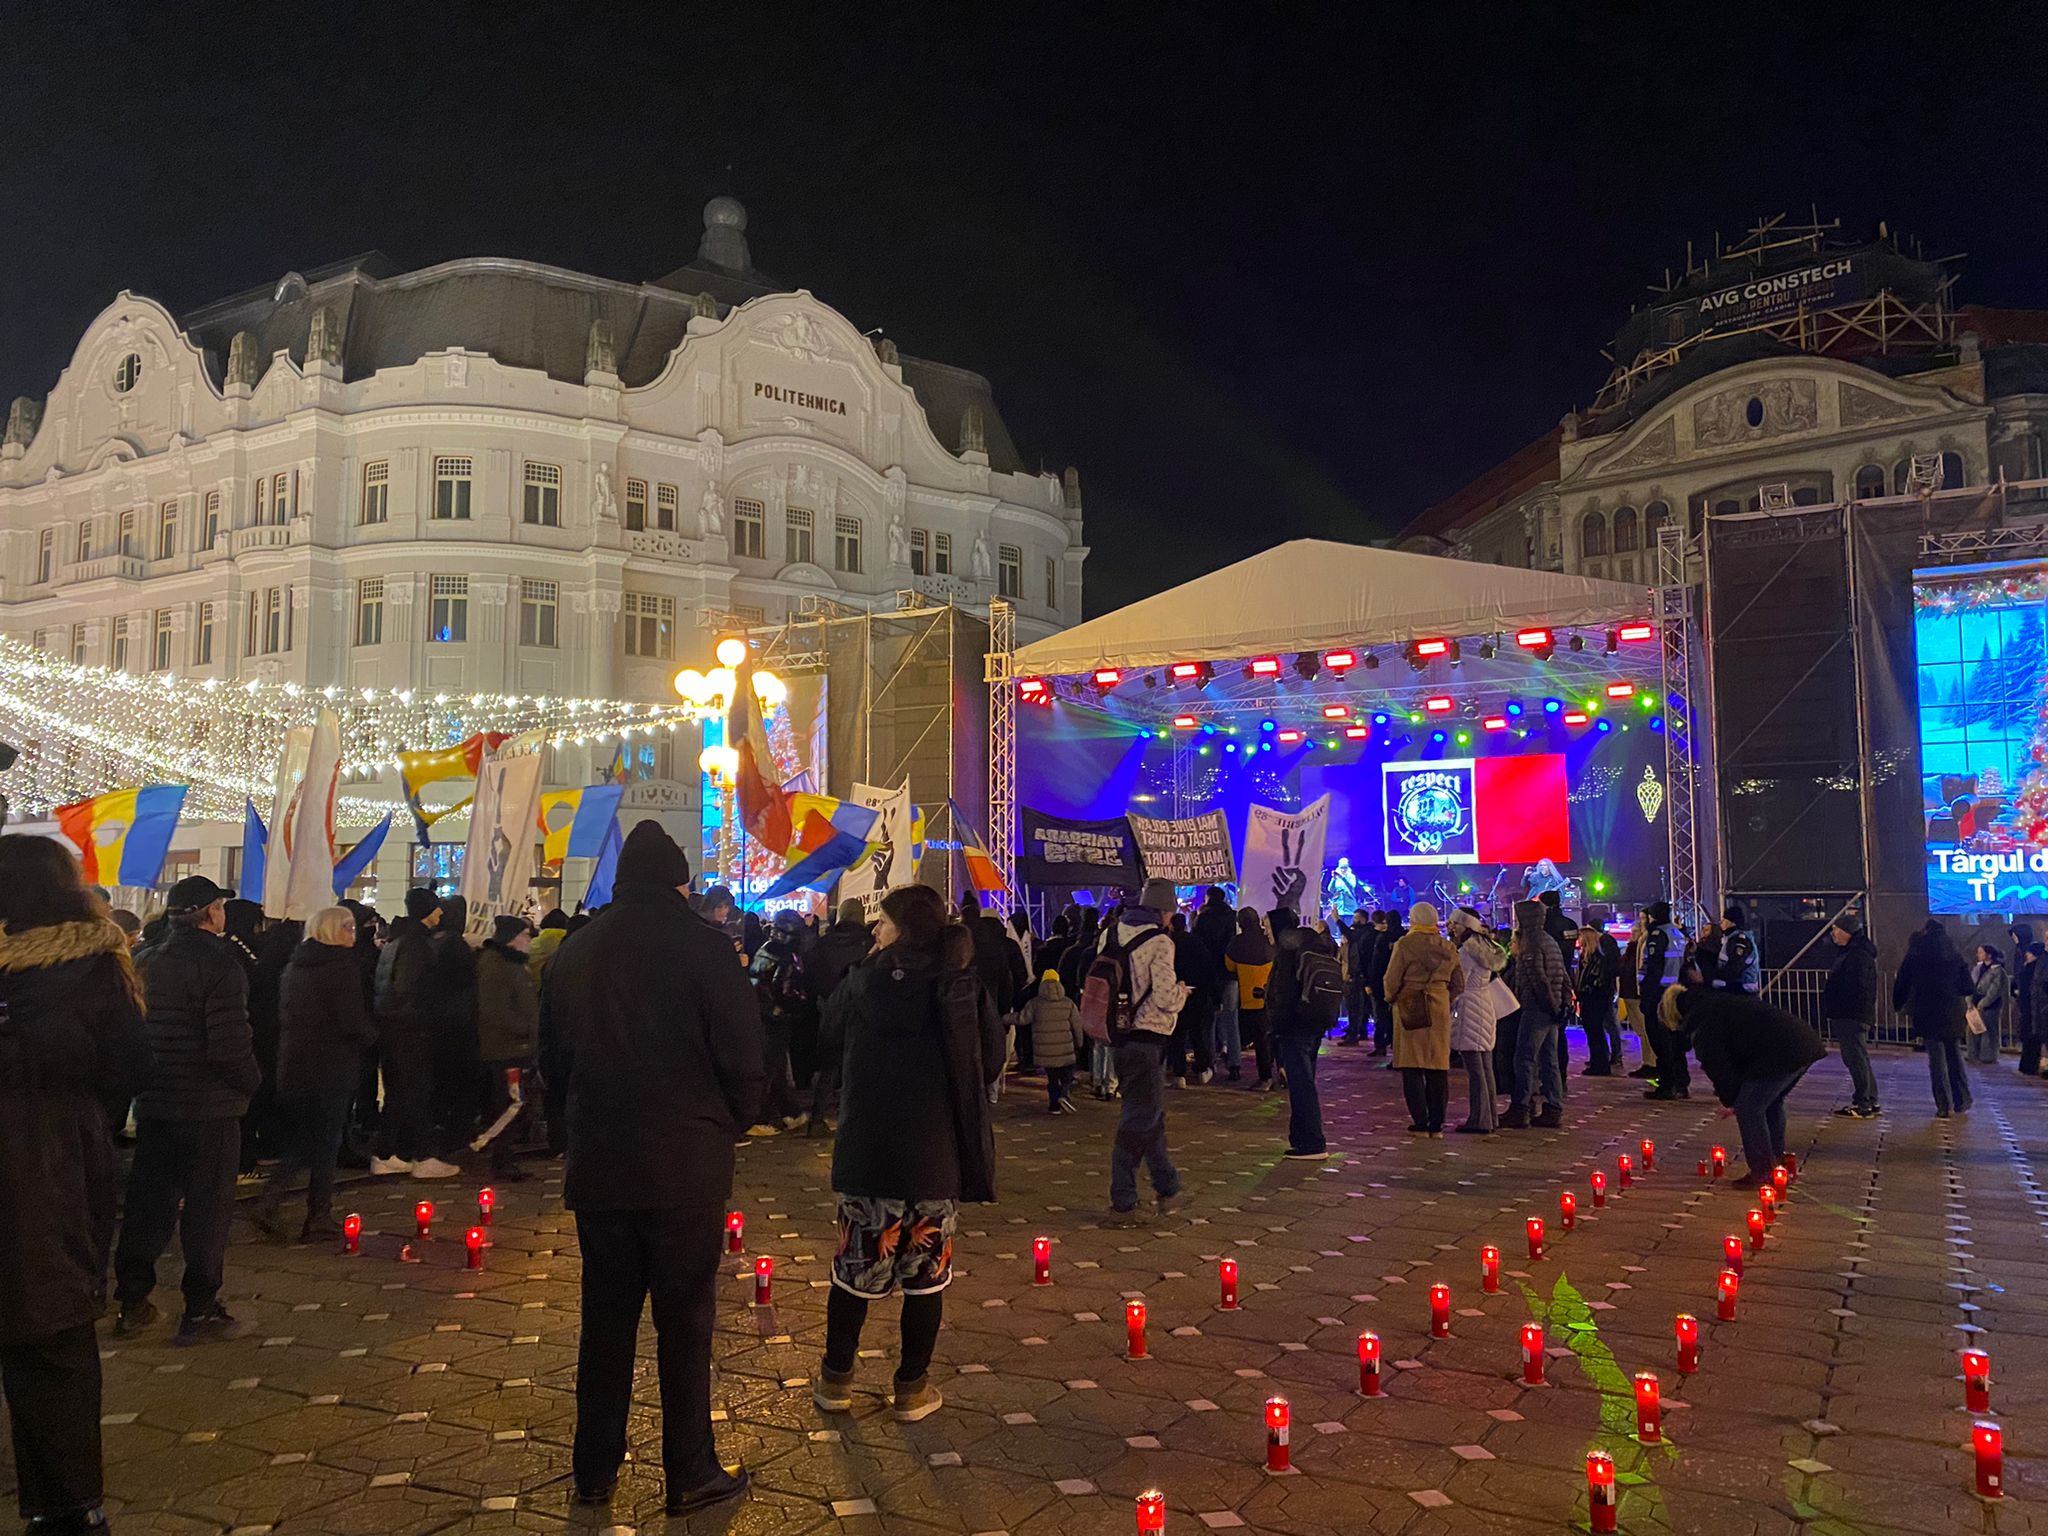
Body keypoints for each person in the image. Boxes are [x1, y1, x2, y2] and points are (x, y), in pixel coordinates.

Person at [547, 821, 765, 1517]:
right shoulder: (707, 950)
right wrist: (728, 1122)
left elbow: (554, 1063)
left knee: (605, 1320)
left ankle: (594, 1468)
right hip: (685, 1168)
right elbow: (743, 1059)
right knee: (686, 1320)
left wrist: (577, 1125)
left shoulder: (575, 951)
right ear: (680, 884)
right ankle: (689, 1469)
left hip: (602, 1164)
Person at [0, 836, 152, 1536]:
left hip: (41, 1159)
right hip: (54, 1167)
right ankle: (67, 1506)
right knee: (52, 1336)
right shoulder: (99, 965)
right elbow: (125, 1069)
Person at [812, 884, 1003, 1421]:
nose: (876, 931)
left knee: (854, 1273)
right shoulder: (960, 985)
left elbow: (824, 1044)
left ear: (906, 929)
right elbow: (987, 1061)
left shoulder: (861, 981)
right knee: (925, 1280)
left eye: (885, 922)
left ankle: (836, 1381)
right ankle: (911, 1389)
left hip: (869, 1154)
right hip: (934, 1158)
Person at [113, 874, 259, 1344]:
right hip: (208, 1106)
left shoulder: (146, 959)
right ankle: (200, 1308)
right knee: (207, 1211)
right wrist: (251, 1083)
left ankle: (132, 1300)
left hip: (157, 1102)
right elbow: (229, 1043)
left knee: (148, 1204)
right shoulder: (221, 965)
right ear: (212, 913)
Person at [253, 906, 377, 1242]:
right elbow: (351, 1021)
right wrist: (371, 1036)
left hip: (297, 1064)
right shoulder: (340, 968)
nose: (355, 933)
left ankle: (277, 1200)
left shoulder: (296, 965)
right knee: (324, 1142)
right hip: (331, 1066)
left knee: (307, 1138)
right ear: (333, 931)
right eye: (349, 927)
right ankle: (312, 1212)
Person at [1102, 879, 1189, 1225]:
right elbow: (1166, 998)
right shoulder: (1160, 943)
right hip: (1147, 1039)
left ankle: (1168, 1187)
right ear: (1163, 911)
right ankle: (1122, 1198)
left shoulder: (1110, 934)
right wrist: (1183, 992)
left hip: (1117, 1037)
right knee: (1139, 1119)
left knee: (1150, 1115)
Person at [1679, 983, 1825, 1186]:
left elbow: (1717, 1065)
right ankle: (1775, 1161)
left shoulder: (1704, 1024)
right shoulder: (1717, 1004)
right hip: (1802, 1043)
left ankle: (1763, 1172)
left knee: (1749, 1109)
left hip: (1781, 1052)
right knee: (1771, 1103)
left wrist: (1731, 1100)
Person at [1385, 901, 1465, 1136]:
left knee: (1411, 1065)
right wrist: (1443, 997)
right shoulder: (1448, 947)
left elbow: (1392, 979)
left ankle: (1420, 1121)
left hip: (1410, 1004)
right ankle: (1437, 1123)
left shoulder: (1405, 943)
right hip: (1439, 1005)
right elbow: (1458, 983)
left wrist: (1393, 999)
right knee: (1437, 1066)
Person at [472, 915, 540, 1178]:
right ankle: (493, 1152)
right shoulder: (497, 965)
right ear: (512, 938)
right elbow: (494, 1011)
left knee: (512, 1103)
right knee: (512, 1104)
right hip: (506, 1048)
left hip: (516, 1047)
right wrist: (525, 1029)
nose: (529, 941)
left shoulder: (511, 963)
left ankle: (502, 1155)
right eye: (526, 935)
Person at [1266, 907, 1338, 1157]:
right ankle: (1301, 1139)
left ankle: (1311, 1142)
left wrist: (1277, 1024)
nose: (1266, 930)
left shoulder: (1288, 952)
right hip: (1315, 1020)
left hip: (1294, 1026)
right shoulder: (1310, 946)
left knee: (1301, 1084)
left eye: (1268, 925)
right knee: (1304, 1081)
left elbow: (1284, 994)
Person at [1892, 919, 1973, 1118]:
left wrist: (1898, 1004)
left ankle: (1943, 1104)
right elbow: (1968, 987)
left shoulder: (1916, 955)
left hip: (1927, 1011)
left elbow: (1902, 982)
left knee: (1936, 1060)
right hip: (1952, 1013)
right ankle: (1961, 1099)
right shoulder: (1955, 957)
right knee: (1954, 1055)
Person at [1501, 900, 1568, 1129]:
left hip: (1537, 1008)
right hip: (1552, 1010)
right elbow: (1564, 977)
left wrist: (1549, 1006)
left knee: (1524, 1059)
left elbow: (1538, 979)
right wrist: (1561, 1007)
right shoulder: (1549, 940)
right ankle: (1553, 1107)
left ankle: (1520, 1108)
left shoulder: (1531, 942)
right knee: (1549, 1061)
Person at [747, 911, 813, 1136]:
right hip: (777, 1015)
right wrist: (799, 1002)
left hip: (760, 1011)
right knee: (770, 1067)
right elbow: (784, 990)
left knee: (774, 1067)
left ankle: (790, 1113)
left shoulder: (765, 947)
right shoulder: (789, 958)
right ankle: (757, 1118)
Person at [1448, 907, 1507, 1133]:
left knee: (1475, 1069)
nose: (1451, 928)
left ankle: (1479, 1120)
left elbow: (1458, 982)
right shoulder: (1485, 948)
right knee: (1485, 1066)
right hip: (1485, 1004)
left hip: (1469, 1007)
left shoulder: (1465, 952)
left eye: (1456, 923)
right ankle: (1490, 1117)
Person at [1823, 915, 1881, 1117]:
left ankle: (1863, 1102)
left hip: (1851, 1014)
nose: (1833, 934)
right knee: (1859, 1057)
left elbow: (1855, 987)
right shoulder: (1855, 953)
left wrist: (1839, 1003)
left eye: (1836, 930)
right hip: (1852, 1013)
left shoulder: (1856, 955)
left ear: (1847, 931)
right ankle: (1870, 1099)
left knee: (1855, 1058)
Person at [1638, 900, 1690, 1099]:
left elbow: (1653, 967)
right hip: (1674, 992)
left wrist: (1647, 995)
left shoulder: (1657, 935)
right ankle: (1680, 1082)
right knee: (1675, 1039)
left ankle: (1667, 1085)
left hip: (1659, 993)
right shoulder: (1677, 933)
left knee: (1661, 1040)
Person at [1224, 907, 1275, 1090]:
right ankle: (1276, 1072)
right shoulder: (1267, 941)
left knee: (1255, 1037)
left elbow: (1229, 966)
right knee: (1268, 1038)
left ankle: (1265, 1077)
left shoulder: (1237, 943)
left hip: (1248, 997)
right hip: (1269, 995)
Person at [1022, 970, 1084, 1112]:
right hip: (1065, 1050)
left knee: (1052, 1079)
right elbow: (1077, 1025)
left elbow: (1022, 1018)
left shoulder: (1035, 1004)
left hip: (1046, 1052)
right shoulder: (1068, 1003)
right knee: (1067, 1075)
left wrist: (1003, 1017)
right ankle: (1064, 1094)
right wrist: (1079, 1043)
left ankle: (1054, 1105)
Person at [1168, 911, 1218, 1085]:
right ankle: (1202, 1069)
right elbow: (1208, 967)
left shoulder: (1169, 943)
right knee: (1197, 1032)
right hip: (1197, 992)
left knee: (1178, 1034)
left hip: (1176, 991)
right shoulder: (1196, 942)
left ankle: (1179, 1073)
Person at [1575, 920, 1623, 1076]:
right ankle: (1598, 1061)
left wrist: (1586, 991)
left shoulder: (1596, 958)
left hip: (1594, 998)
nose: (1578, 940)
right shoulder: (1587, 957)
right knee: (1594, 1032)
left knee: (1596, 1031)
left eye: (1581, 937)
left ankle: (1601, 1063)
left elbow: (1597, 979)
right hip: (1592, 997)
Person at [1370, 907, 1406, 1058]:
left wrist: (1371, 982)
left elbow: (1376, 963)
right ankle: (1397, 1048)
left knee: (1381, 1016)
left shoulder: (1383, 938)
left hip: (1382, 981)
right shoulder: (1406, 937)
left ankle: (1380, 1046)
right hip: (1403, 981)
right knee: (1397, 1019)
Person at [1618, 923, 1651, 1078]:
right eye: (1632, 931)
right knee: (1639, 1030)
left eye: (1636, 931)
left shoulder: (1641, 948)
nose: (1633, 934)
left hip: (1635, 993)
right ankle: (1647, 1061)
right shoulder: (1631, 948)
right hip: (1628, 992)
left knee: (1644, 1030)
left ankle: (1651, 1062)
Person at [1968, 942, 2008, 1065]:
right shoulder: (1977, 968)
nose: (1978, 955)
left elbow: (1994, 990)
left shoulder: (1997, 971)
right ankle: (1973, 1054)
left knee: (1988, 1030)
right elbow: (1970, 984)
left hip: (1991, 1006)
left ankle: (1988, 1056)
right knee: (1973, 1030)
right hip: (1974, 1004)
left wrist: (1984, 1003)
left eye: (1980, 952)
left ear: (1989, 955)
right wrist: (1969, 1001)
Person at [2012, 924, 2040, 1076]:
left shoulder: (2033, 967)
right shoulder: (2023, 959)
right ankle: (2026, 1065)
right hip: (2027, 1003)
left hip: (2032, 1005)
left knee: (2031, 1036)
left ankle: (2030, 1066)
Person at [1715, 904, 1760, 994]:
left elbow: (1735, 966)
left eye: (1724, 920)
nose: (1720, 922)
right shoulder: (1732, 938)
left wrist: (1719, 979)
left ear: (1732, 922)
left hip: (1741, 988)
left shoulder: (1739, 940)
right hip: (1738, 987)